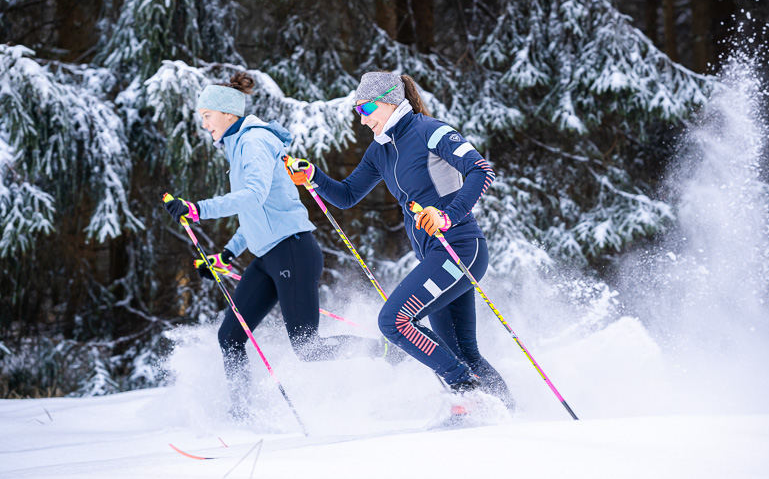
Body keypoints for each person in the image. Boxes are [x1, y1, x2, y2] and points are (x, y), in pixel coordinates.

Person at [163, 72, 399, 420]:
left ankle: (388, 350)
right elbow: (256, 212)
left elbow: (253, 196)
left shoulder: (253, 142)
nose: (204, 124)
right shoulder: (237, 145)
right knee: (230, 335)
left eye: (207, 116)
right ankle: (242, 413)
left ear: (228, 114)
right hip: (267, 256)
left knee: (308, 347)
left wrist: (198, 210)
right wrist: (227, 254)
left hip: (293, 250)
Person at [286, 71, 514, 409]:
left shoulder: (430, 131)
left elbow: (481, 170)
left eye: (365, 110)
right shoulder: (381, 150)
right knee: (462, 351)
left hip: (460, 248)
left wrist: (447, 215)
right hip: (436, 257)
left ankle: (466, 392)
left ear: (389, 101)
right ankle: (508, 412)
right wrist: (314, 176)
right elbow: (348, 195)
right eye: (357, 112)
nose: (362, 121)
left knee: (394, 321)